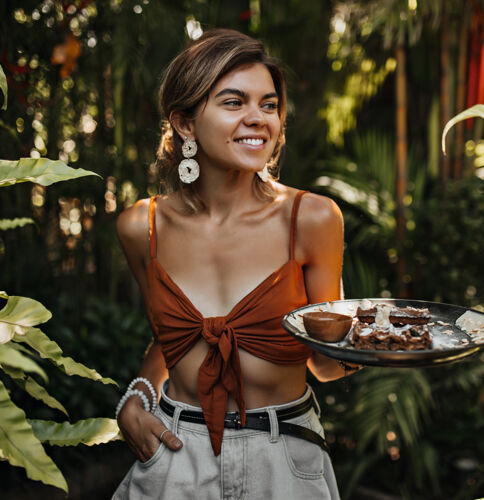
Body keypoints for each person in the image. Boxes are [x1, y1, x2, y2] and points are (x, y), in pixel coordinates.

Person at [112, 29, 360, 499]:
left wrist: (371, 347)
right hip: (173, 454)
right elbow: (170, 339)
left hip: (284, 457)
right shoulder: (139, 227)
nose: (258, 119)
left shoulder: (312, 218)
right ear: (184, 124)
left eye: (269, 105)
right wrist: (136, 397)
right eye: (234, 102)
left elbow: (326, 365)